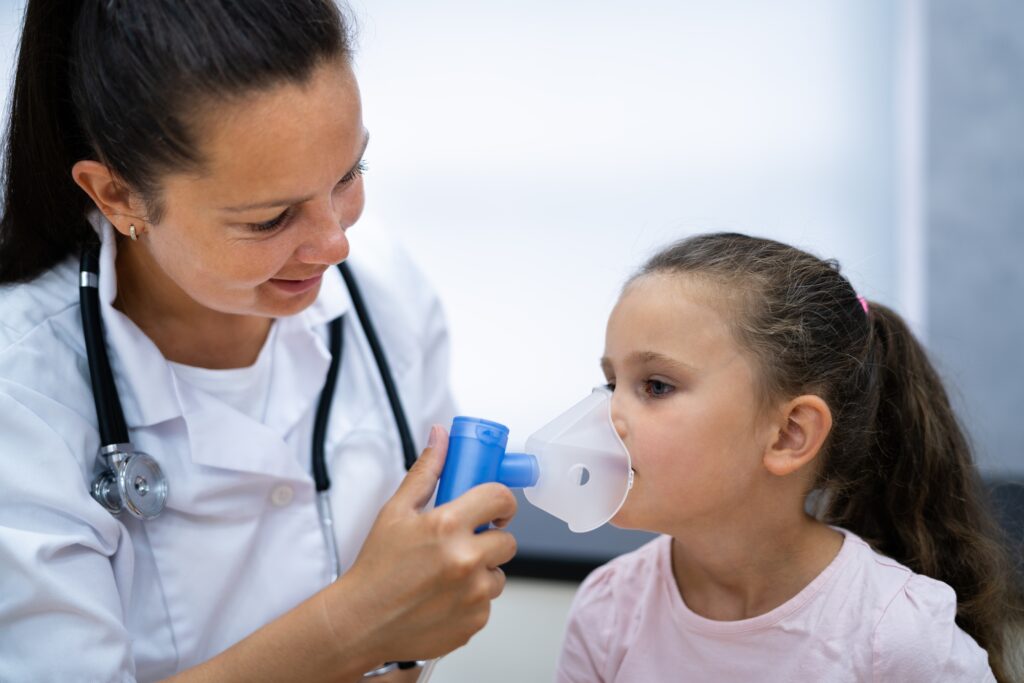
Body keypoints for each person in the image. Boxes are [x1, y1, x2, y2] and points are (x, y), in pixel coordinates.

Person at [0, 1, 518, 681]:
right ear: (118, 196)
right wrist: (356, 621)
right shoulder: (22, 386)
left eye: (349, 174)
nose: (336, 242)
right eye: (271, 218)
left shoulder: (383, 288)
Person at [556, 233, 1024, 682]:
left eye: (657, 386)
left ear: (788, 434)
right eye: (612, 384)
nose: (607, 417)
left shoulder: (898, 635)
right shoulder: (608, 608)